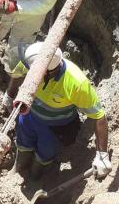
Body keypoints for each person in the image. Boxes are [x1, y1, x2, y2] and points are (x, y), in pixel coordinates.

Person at [13, 42, 111, 181]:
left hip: (54, 128)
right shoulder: (33, 63)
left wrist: (102, 155)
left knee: (44, 154)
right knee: (23, 143)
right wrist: (10, 94)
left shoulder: (76, 83)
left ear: (48, 72)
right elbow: (18, 73)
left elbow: (99, 115)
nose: (29, 72)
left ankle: (34, 177)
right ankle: (18, 171)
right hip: (28, 117)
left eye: (32, 70)